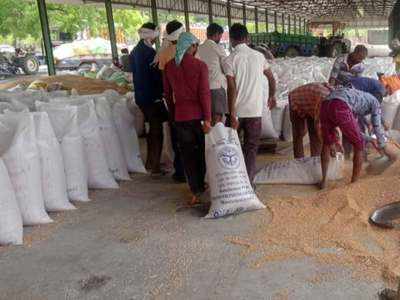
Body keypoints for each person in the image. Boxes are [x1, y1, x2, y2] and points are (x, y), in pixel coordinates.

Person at [223, 23, 277, 184]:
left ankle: (233, 182)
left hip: (237, 112)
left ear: (231, 40)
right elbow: (271, 77)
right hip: (255, 112)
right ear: (247, 38)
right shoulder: (259, 57)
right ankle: (248, 183)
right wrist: (272, 96)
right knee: (251, 149)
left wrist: (232, 114)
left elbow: (231, 88)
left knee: (231, 147)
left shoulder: (229, 59)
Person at [163, 32, 212, 205]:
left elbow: (168, 95)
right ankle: (203, 184)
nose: (196, 49)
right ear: (190, 46)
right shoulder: (200, 66)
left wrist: (173, 114)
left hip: (181, 116)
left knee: (188, 155)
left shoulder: (169, 66)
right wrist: (207, 118)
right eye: (195, 46)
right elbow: (204, 93)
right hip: (198, 116)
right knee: (202, 152)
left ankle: (195, 190)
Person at [319, 88, 397, 189]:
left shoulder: (357, 101)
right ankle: (354, 183)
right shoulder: (375, 103)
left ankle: (324, 181)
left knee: (327, 143)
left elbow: (355, 132)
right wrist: (383, 145)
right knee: (359, 144)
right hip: (340, 105)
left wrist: (370, 139)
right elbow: (377, 127)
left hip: (325, 105)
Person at [130, 23, 168, 176]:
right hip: (152, 97)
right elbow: (156, 77)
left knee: (151, 130)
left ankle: (150, 162)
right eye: (154, 37)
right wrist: (162, 93)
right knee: (156, 130)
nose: (155, 40)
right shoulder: (150, 53)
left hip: (140, 96)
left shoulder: (134, 52)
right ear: (150, 35)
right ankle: (155, 166)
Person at [157, 20, 186, 182]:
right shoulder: (189, 50)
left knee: (176, 136)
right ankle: (194, 171)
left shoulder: (164, 53)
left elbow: (164, 81)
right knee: (191, 136)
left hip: (172, 101)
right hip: (189, 101)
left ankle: (180, 170)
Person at [288, 82, 332, 158]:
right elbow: (319, 127)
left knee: (314, 133)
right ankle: (299, 163)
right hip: (296, 99)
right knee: (299, 134)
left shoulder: (338, 101)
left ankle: (315, 161)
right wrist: (329, 146)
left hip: (311, 102)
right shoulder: (324, 102)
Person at [198, 23, 228, 125]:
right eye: (220, 35)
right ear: (216, 34)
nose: (220, 38)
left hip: (203, 88)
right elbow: (226, 68)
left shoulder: (198, 48)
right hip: (216, 87)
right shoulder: (218, 48)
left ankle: (209, 139)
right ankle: (217, 139)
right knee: (217, 118)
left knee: (207, 118)